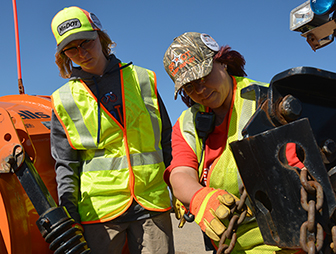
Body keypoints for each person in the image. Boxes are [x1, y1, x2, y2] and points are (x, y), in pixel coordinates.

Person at [163, 32, 303, 253]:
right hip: (227, 244)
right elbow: (180, 173)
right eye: (189, 86)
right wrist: (199, 196)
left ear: (223, 63)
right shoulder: (186, 123)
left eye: (203, 76)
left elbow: (297, 176)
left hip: (282, 242)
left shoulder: (267, 101)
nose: (200, 91)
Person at [50, 6, 174, 254]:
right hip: (100, 212)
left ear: (101, 37)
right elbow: (65, 164)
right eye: (71, 49)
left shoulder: (142, 80)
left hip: (151, 205)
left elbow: (167, 141)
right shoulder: (63, 100)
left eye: (86, 42)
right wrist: (70, 213)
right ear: (64, 54)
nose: (81, 52)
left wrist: (179, 189)